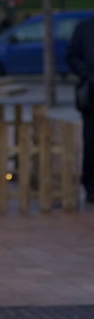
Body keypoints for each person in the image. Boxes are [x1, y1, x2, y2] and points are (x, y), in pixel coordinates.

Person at [66, 13, 94, 203]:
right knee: (91, 142)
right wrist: (87, 74)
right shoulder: (84, 28)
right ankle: (91, 186)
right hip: (92, 96)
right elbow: (72, 56)